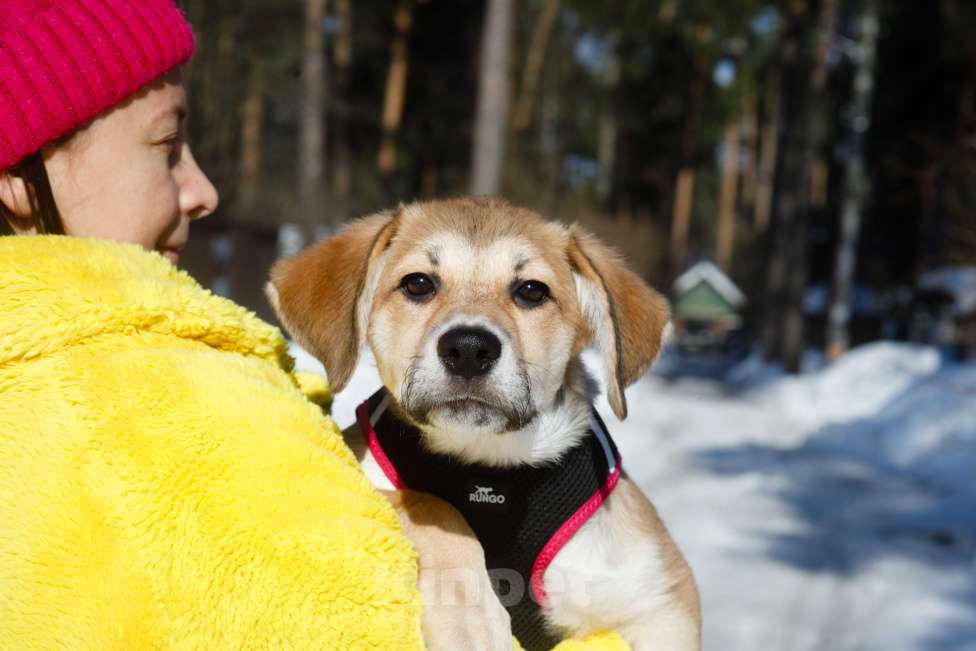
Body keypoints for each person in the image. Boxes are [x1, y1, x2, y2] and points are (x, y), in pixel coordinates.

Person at [0, 1, 627, 649]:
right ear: (21, 177)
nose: (203, 189)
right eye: (167, 147)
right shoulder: (133, 412)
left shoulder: (111, 375)